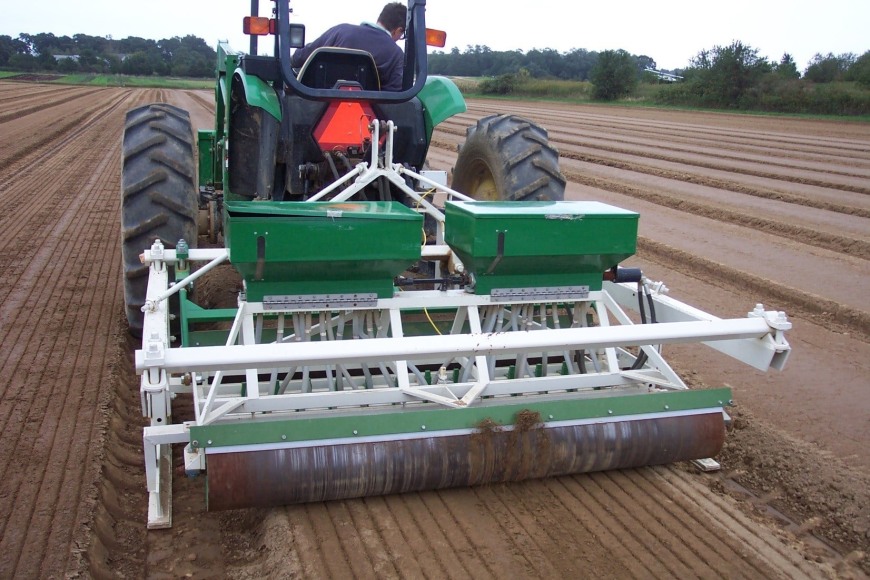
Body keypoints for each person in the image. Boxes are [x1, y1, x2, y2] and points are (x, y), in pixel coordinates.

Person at [291, 3, 408, 91]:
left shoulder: (341, 31)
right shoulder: (396, 54)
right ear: (398, 30)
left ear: (380, 19)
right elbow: (394, 92)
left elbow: (301, 56)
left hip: (317, 107)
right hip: (367, 117)